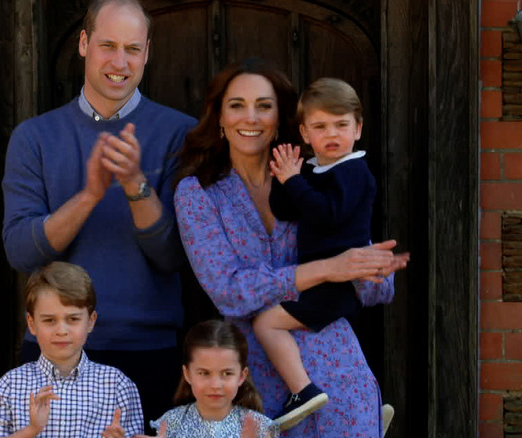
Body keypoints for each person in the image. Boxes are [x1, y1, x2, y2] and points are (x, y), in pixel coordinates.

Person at [173, 58, 408, 437]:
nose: (251, 117)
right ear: (219, 117)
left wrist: (372, 269)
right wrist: (327, 269)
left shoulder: (315, 177)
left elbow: (375, 287)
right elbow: (229, 291)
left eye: (264, 106)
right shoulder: (198, 194)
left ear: (280, 118)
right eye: (237, 105)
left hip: (339, 373)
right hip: (256, 382)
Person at [1, 0, 197, 430]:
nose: (120, 62)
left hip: (149, 352)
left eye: (132, 48)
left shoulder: (181, 134)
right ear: (84, 44)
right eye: (108, 45)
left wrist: (135, 187)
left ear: (147, 53)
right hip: (52, 353)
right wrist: (90, 194)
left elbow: (174, 257)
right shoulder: (34, 137)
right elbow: (20, 252)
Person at [252, 78, 377, 429]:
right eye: (320, 127)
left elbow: (326, 213)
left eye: (341, 125)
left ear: (358, 128)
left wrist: (295, 181)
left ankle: (303, 391)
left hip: (336, 285)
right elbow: (286, 209)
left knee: (266, 323)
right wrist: (284, 177)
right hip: (319, 279)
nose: (332, 134)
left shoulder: (354, 172)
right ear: (305, 134)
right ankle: (361, 410)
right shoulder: (315, 169)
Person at [0, 262, 143, 438]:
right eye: (49, 320)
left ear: (91, 321)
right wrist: (32, 429)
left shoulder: (117, 385)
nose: (61, 330)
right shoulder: (11, 385)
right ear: (32, 324)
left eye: (73, 319)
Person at [139, 320, 277, 438]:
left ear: (241, 376)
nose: (215, 385)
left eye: (227, 373)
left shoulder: (259, 427)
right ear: (187, 374)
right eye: (204, 373)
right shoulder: (170, 423)